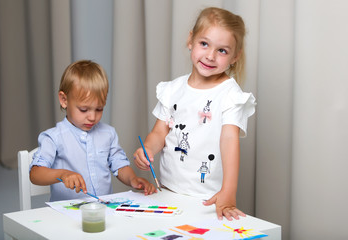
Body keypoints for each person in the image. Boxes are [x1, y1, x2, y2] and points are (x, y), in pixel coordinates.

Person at [133, 7, 256, 221]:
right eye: (204, 44)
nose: (210, 55)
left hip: (207, 199)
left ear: (235, 56)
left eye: (222, 50)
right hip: (167, 192)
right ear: (191, 40)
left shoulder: (230, 94)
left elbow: (229, 141)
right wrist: (148, 150)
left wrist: (229, 191)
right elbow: (159, 132)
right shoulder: (172, 90)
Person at [30, 60, 156, 202]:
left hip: (102, 212)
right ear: (64, 100)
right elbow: (35, 174)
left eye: (99, 109)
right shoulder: (54, 137)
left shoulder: (108, 134)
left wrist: (132, 179)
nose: (92, 117)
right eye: (84, 109)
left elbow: (119, 165)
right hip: (65, 214)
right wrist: (63, 174)